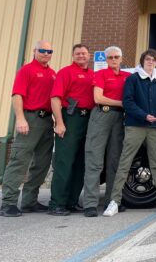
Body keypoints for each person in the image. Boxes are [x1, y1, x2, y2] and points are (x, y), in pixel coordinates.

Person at [103, 49, 156, 216]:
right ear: (142, 61)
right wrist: (144, 116)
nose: (150, 62)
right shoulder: (133, 79)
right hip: (135, 127)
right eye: (148, 59)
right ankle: (114, 202)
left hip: (154, 130)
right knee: (125, 163)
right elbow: (128, 102)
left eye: (153, 60)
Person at [0, 41, 56, 217]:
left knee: (42, 163)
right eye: (42, 50)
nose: (46, 53)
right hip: (29, 118)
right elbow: (17, 95)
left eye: (49, 51)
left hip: (47, 121)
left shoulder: (53, 74)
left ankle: (30, 201)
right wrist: (20, 118)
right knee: (20, 160)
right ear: (35, 51)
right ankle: (8, 203)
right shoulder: (27, 70)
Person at [82, 46, 130, 217]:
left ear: (121, 58)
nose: (113, 60)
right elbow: (98, 98)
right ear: (106, 59)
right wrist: (122, 103)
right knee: (94, 160)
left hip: (120, 119)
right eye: (110, 57)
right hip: (102, 115)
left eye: (116, 56)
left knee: (115, 161)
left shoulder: (128, 77)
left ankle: (112, 201)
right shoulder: (101, 74)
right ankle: (90, 203)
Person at [48, 44, 95, 216]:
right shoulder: (65, 72)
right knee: (64, 162)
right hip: (71, 118)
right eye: (77, 53)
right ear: (73, 56)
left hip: (89, 119)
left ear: (89, 55)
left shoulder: (92, 75)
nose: (81, 56)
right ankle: (57, 203)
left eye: (84, 53)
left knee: (81, 163)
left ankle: (72, 201)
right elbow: (55, 98)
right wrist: (59, 122)